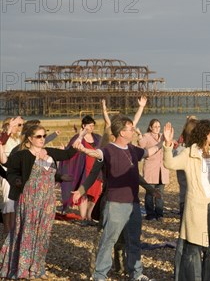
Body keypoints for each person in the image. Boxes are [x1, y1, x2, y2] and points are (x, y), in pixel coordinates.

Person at [72, 115, 162, 281]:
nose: (133, 130)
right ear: (121, 132)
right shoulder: (108, 150)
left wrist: (164, 143)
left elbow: (148, 154)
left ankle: (136, 274)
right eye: (130, 128)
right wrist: (81, 189)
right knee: (108, 241)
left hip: (133, 203)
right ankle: (100, 276)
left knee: (133, 240)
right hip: (114, 203)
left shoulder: (132, 149)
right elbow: (95, 154)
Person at [0, 125, 81, 279]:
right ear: (29, 138)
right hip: (30, 200)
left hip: (48, 201)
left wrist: (80, 137)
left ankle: (37, 269)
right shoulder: (23, 155)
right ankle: (22, 269)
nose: (42, 139)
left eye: (44, 136)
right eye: (38, 136)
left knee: (43, 234)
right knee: (26, 233)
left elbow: (68, 154)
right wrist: (2, 143)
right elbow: (7, 164)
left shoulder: (49, 153)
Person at [163, 119, 210, 280]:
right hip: (195, 207)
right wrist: (167, 143)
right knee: (193, 249)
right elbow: (169, 163)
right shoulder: (189, 152)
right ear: (206, 134)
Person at [61, 115, 103, 222]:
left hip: (97, 171)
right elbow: (71, 150)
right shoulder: (77, 138)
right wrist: (64, 150)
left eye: (93, 125)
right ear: (84, 125)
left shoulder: (97, 138)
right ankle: (83, 217)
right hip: (83, 169)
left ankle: (90, 216)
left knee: (95, 193)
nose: (92, 127)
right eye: (90, 125)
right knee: (83, 193)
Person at [138, 119, 168, 221]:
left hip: (162, 169)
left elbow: (170, 145)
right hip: (151, 168)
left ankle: (159, 213)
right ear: (150, 127)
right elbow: (141, 147)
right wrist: (139, 135)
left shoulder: (163, 136)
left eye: (158, 127)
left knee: (160, 193)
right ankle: (150, 214)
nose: (157, 128)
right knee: (150, 193)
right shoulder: (146, 136)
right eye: (155, 126)